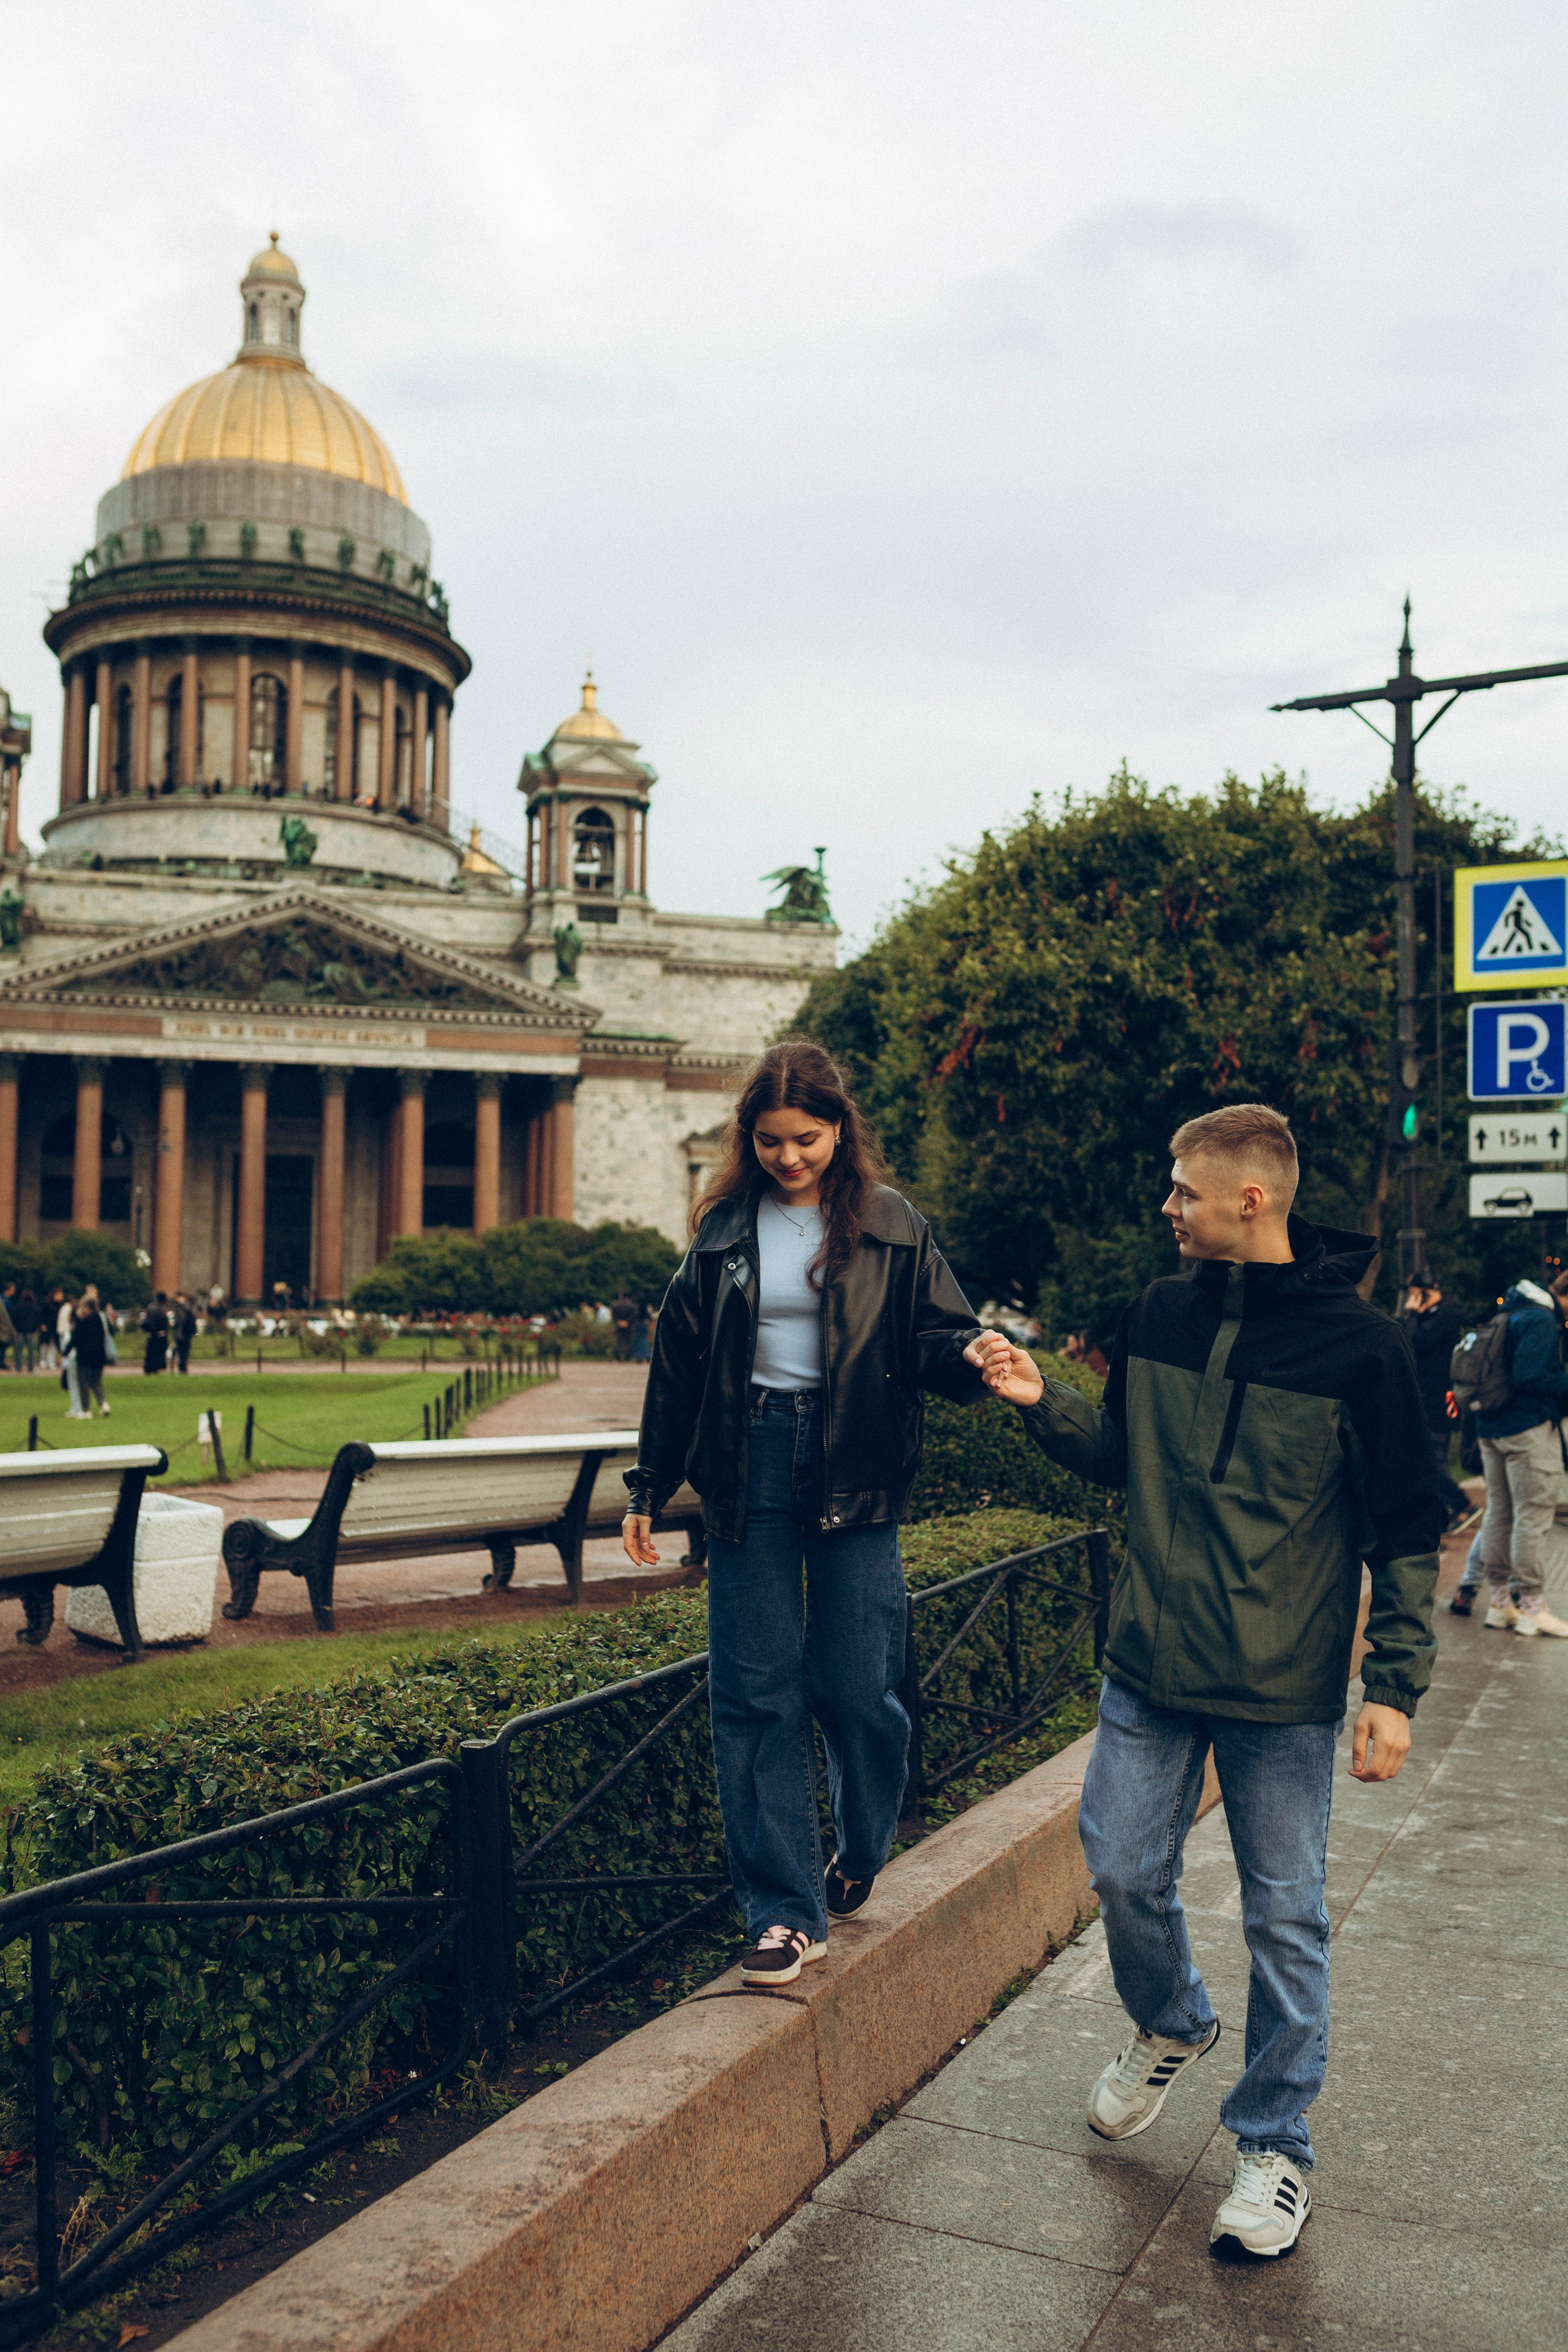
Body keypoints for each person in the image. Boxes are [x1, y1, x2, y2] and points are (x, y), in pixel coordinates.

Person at [971, 1102, 1439, 2261]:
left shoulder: (1363, 1348)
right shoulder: (1157, 1313)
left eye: (1181, 1190)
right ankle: (1173, 2021)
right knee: (1124, 1868)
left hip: (1282, 1688)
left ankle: (1274, 2144)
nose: (1165, 1207)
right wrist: (1043, 1404)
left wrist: (1396, 1686)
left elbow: (1406, 1526)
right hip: (1150, 1664)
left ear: (1250, 1198)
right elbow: (1115, 1454)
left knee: (1287, 1917)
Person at [622, 1039, 989, 1989]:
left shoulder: (892, 1222)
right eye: (773, 1140)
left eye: (809, 1139)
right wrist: (649, 1486)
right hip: (750, 1466)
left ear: (840, 1131)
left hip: (856, 1471)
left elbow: (937, 1336)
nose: (791, 1158)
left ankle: (862, 1844)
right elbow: (680, 1365)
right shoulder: (722, 1231)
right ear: (751, 1137)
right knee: (753, 1694)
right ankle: (785, 1913)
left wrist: (976, 1361)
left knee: (861, 1689)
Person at [1450, 1275, 1568, 1635]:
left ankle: (1500, 1603)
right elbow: (1530, 1376)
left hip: (1490, 1429)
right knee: (1533, 1517)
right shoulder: (1541, 1321)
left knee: (1500, 1514)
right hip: (1526, 1430)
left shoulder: (1510, 1313)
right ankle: (1532, 1603)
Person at [1399, 1273, 1471, 1532]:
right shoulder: (1428, 1317)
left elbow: (1417, 1342)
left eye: (1414, 1294)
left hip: (1440, 1398)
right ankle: (1440, 1518)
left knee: (1433, 1457)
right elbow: (1400, 1340)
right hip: (1423, 1396)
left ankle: (1461, 1503)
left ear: (1425, 1293)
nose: (1411, 1300)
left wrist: (1414, 1314)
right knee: (1424, 1459)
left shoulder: (1447, 1316)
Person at [66, 1291, 111, 1419]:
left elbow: (75, 1338)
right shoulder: (99, 1318)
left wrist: (65, 1352)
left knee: (84, 1383)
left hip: (85, 1356)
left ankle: (86, 1410)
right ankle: (103, 1404)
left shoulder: (82, 1319)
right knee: (97, 1381)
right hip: (99, 1355)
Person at [56, 1290, 83, 1415]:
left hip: (73, 1357)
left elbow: (69, 1343)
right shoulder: (78, 1326)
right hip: (76, 1357)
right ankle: (76, 1407)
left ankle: (77, 1408)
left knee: (74, 1384)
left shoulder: (74, 1327)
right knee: (76, 1384)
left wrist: (63, 1355)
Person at [12, 1287, 40, 1373]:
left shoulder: (18, 1306)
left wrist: (16, 1328)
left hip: (19, 1331)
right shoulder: (34, 1307)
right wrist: (34, 1328)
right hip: (31, 1331)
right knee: (31, 1351)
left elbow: (14, 1318)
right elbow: (38, 1319)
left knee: (18, 1351)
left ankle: (18, 1367)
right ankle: (31, 1368)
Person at [141, 1291, 170, 1374]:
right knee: (158, 1352)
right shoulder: (160, 1308)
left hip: (151, 1333)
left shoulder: (150, 1306)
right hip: (159, 1333)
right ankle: (156, 1367)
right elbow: (163, 1321)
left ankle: (149, 1368)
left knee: (150, 1352)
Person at [173, 1292, 197, 1374]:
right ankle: (184, 1366)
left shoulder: (179, 1307)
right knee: (186, 1350)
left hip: (181, 1331)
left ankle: (182, 1367)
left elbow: (178, 1320)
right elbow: (194, 1315)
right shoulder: (190, 1305)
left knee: (181, 1350)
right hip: (188, 1331)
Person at [611, 1291, 638, 1362]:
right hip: (629, 1326)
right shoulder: (632, 1305)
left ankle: (617, 1358)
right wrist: (627, 1322)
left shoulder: (615, 1305)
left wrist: (619, 1321)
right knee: (628, 1342)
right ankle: (627, 1358)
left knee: (618, 1342)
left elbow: (613, 1315)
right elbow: (634, 1316)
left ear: (621, 1295)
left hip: (618, 1325)